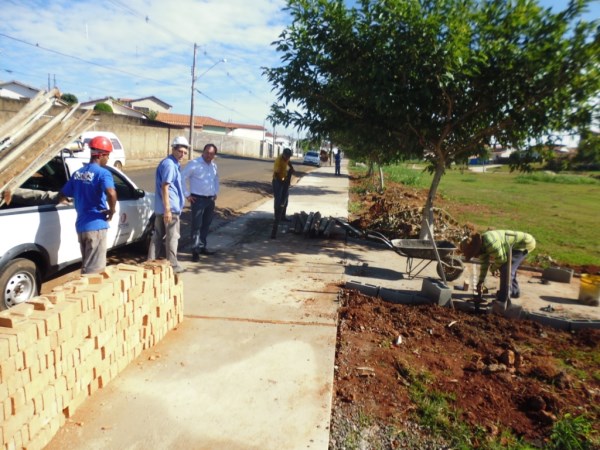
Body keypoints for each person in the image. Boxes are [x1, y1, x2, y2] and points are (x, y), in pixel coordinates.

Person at [58, 136, 117, 274]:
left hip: (81, 226)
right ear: (101, 155)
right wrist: (112, 211)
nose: (108, 159)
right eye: (107, 156)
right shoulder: (103, 173)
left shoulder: (78, 173)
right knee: (94, 271)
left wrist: (67, 201)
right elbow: (111, 193)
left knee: (86, 265)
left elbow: (62, 194)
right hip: (96, 226)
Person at [460, 230, 536, 303]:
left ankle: (503, 298)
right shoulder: (482, 246)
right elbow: (484, 265)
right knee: (509, 267)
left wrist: (492, 269)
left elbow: (501, 260)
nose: (475, 255)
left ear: (476, 248)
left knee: (506, 268)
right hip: (515, 245)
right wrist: (481, 281)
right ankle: (514, 292)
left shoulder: (490, 243)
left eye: (473, 253)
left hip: (524, 243)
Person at [148, 136, 188, 273]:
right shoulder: (170, 165)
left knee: (158, 235)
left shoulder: (168, 163)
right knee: (173, 237)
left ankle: (150, 261)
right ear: (173, 149)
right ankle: (173, 265)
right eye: (180, 151)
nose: (182, 155)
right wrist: (168, 209)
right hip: (169, 209)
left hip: (162, 208)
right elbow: (165, 187)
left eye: (184, 152)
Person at [182, 143, 219, 261]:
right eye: (207, 152)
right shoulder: (194, 164)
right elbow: (182, 178)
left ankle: (202, 246)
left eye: (212, 153)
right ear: (203, 152)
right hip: (197, 199)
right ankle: (195, 250)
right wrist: (187, 195)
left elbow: (216, 179)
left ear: (214, 155)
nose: (209, 155)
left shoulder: (213, 166)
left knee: (206, 225)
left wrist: (215, 192)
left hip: (210, 200)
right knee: (196, 226)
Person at [272, 147, 295, 222]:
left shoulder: (286, 158)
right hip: (277, 181)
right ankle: (277, 217)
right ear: (283, 155)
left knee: (285, 199)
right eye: (287, 156)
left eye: (289, 156)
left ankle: (283, 216)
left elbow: (288, 162)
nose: (288, 158)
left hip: (284, 180)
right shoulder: (279, 161)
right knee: (278, 199)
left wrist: (291, 168)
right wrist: (283, 181)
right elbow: (276, 174)